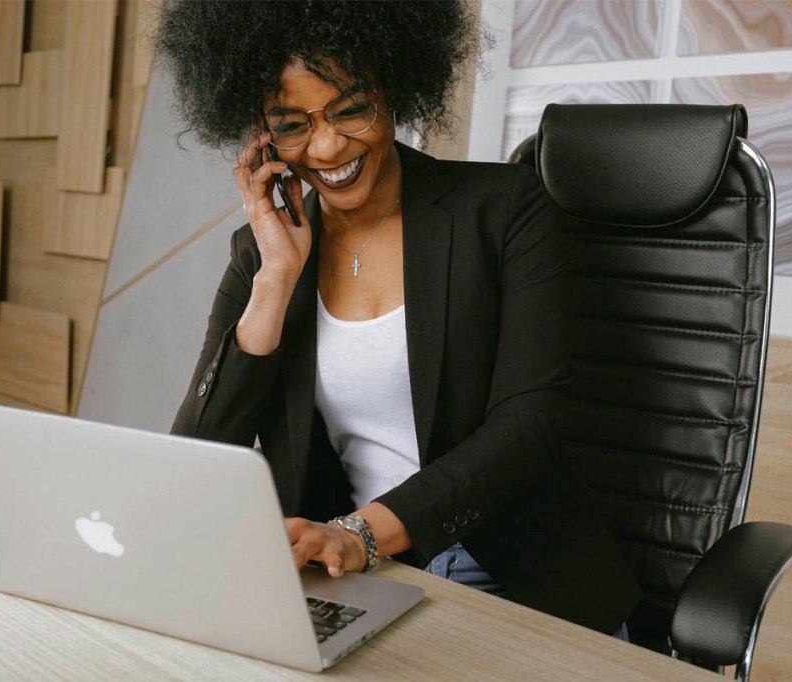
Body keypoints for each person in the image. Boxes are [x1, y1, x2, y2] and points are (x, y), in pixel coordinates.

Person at [159, 0, 641, 638]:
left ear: (395, 88)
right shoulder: (263, 251)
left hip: (510, 571)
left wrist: (361, 534)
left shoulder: (502, 212)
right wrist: (275, 278)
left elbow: (530, 423)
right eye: (292, 124)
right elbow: (199, 453)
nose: (327, 146)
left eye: (351, 109)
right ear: (261, 132)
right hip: (350, 581)